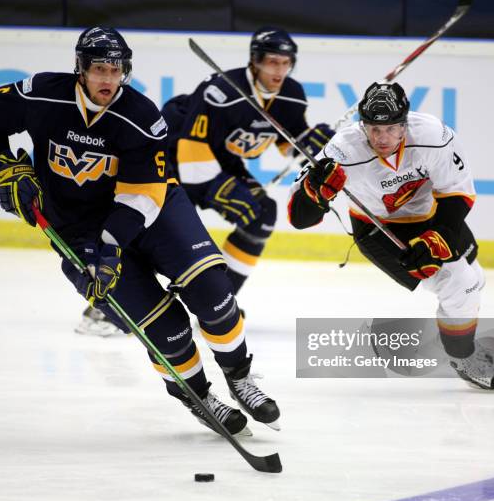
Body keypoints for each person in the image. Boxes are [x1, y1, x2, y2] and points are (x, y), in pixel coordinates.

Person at [0, 26, 281, 434]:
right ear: (80, 68)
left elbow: (143, 193)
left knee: (211, 291)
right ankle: (199, 396)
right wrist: (4, 168)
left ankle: (238, 376)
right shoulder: (40, 93)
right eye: (99, 69)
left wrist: (111, 246)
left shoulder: (141, 115)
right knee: (163, 327)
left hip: (153, 212)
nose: (108, 80)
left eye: (116, 70)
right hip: (76, 229)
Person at [75, 26, 334, 336]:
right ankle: (107, 307)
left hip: (220, 160)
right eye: (271, 62)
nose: (278, 70)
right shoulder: (221, 91)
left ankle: (219, 301)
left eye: (284, 63)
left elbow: (287, 140)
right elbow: (188, 149)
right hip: (174, 157)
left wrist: (314, 145)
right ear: (255, 61)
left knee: (262, 214)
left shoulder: (291, 95)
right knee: (143, 228)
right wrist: (213, 188)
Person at [287, 82, 494, 391]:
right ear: (362, 125)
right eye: (373, 129)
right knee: (461, 284)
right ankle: (463, 356)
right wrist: (315, 193)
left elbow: (458, 193)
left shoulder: (434, 135)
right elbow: (298, 218)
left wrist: (437, 237)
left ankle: (453, 332)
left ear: (406, 123)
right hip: (380, 229)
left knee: (475, 278)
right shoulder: (342, 149)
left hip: (432, 216)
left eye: (391, 128)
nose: (382, 138)